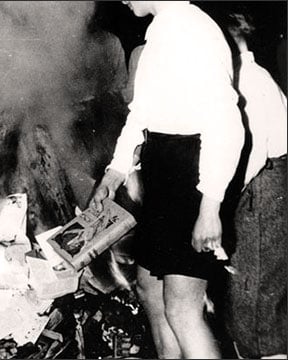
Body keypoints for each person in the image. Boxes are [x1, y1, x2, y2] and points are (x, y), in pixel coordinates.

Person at [90, 2, 244, 358]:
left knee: (182, 310)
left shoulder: (192, 29)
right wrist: (115, 173)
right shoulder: (163, 28)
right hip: (163, 176)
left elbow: (227, 124)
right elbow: (142, 111)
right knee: (150, 291)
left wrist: (210, 207)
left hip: (190, 178)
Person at [223, 11, 287, 359]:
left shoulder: (249, 80)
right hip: (268, 181)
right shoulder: (252, 75)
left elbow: (255, 151)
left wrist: (224, 199)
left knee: (258, 288)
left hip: (265, 186)